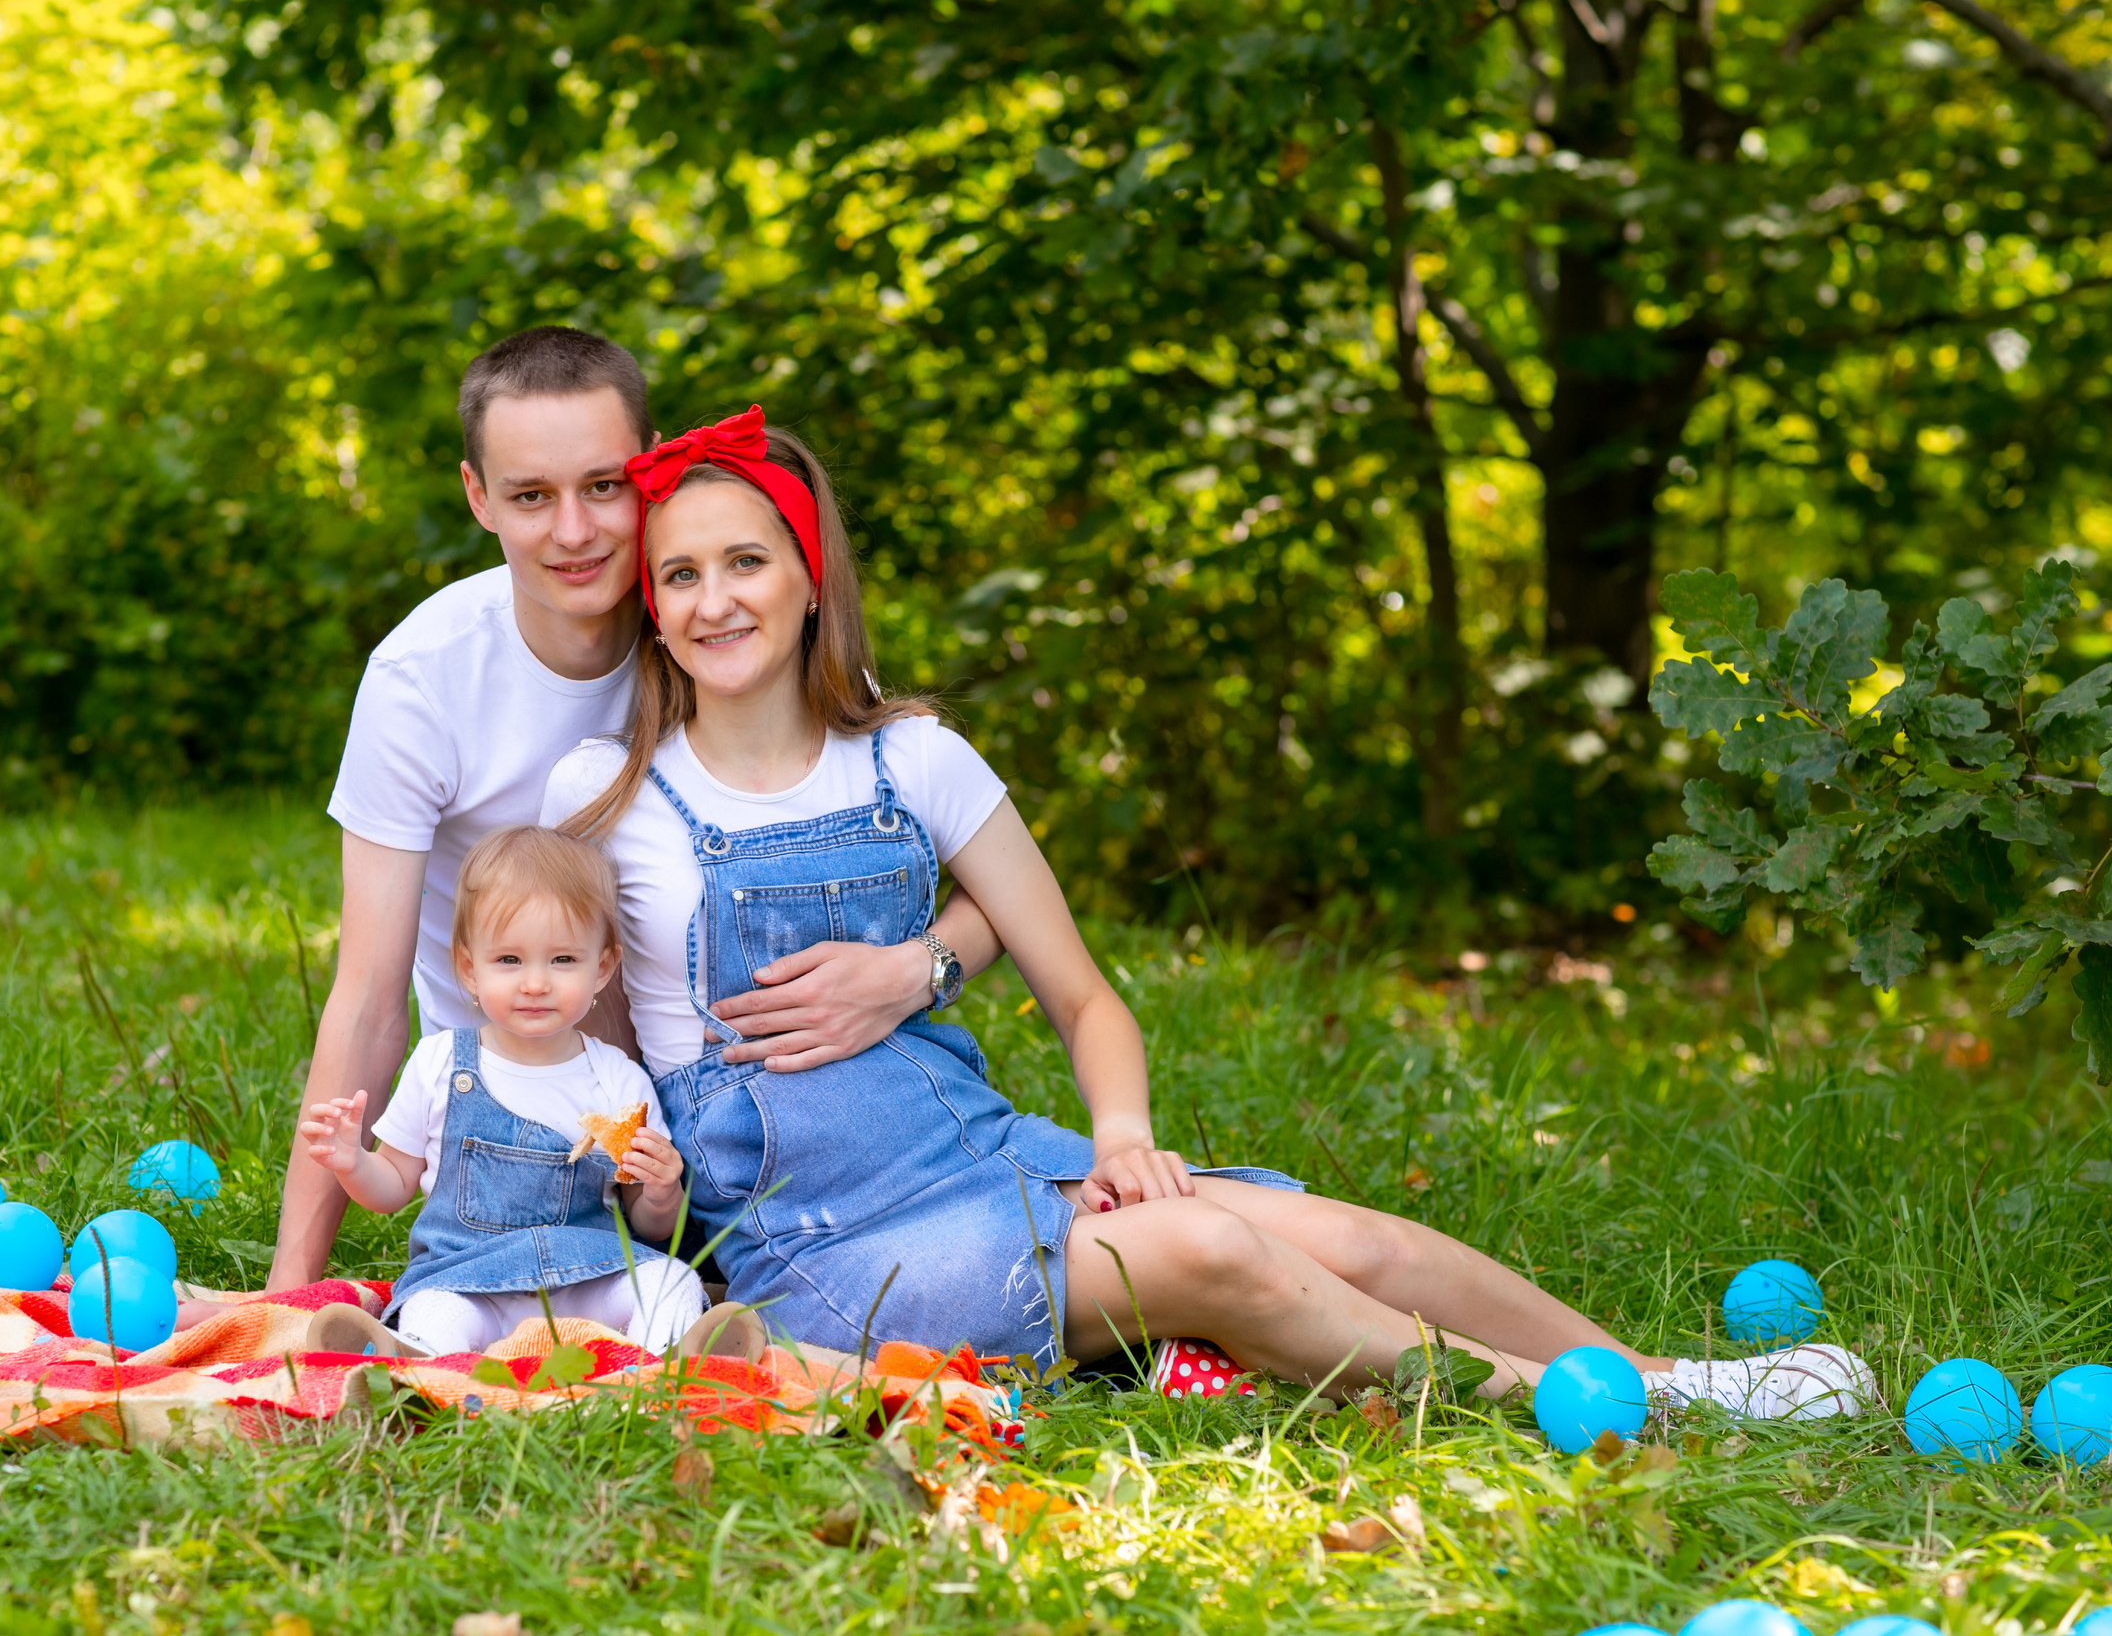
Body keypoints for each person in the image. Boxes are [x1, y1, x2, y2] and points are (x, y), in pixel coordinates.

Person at [544, 405, 1874, 1420]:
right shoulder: (609, 801)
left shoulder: (915, 759)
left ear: (809, 574)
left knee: (1341, 1234)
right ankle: (1581, 1404)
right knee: (1203, 1248)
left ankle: (1670, 1374)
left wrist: (1121, 1136)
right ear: (651, 608)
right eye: (681, 575)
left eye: (746, 560)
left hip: (989, 1158)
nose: (715, 599)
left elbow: (1084, 995)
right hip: (822, 1244)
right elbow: (581, 1059)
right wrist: (641, 1229)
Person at [263, 327, 1002, 1298]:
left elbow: (989, 878)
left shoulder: (733, 633)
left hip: (764, 1107)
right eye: (531, 496)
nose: (574, 531)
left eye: (604, 486)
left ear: (652, 471)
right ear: (478, 497)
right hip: (529, 1125)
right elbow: (366, 996)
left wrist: (920, 966)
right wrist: (289, 1288)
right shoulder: (422, 681)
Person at [297, 826, 708, 1354]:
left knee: (671, 1279)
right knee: (434, 1310)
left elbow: (648, 1224)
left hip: (587, 1281)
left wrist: (663, 1191)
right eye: (509, 960)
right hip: (468, 1282)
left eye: (563, 960)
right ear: (470, 969)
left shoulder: (618, 1079)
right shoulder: (441, 1063)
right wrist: (353, 1162)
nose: (535, 983)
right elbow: (393, 1185)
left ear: (602, 967)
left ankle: (655, 1368)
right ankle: (421, 1361)